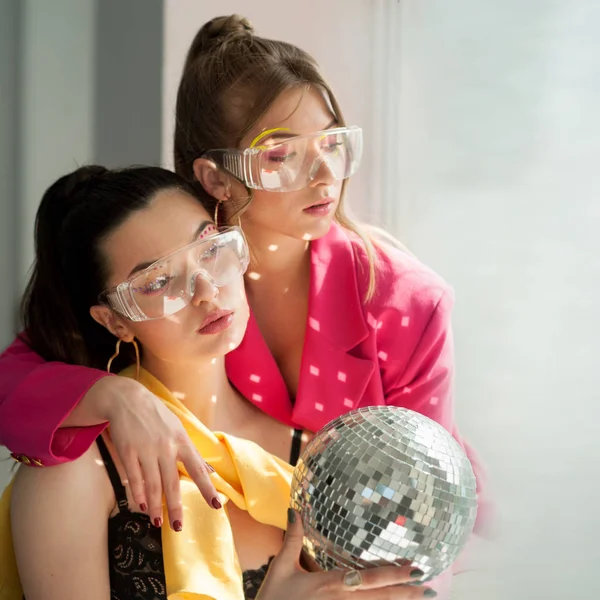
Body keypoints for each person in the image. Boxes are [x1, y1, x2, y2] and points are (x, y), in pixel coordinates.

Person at [0, 13, 491, 545]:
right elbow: (19, 378)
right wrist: (118, 397)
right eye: (280, 155)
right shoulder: (178, 274)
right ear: (214, 177)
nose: (324, 175)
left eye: (330, 143)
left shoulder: (407, 303)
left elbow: (431, 511)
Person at [0, 165, 436, 600]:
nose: (205, 290)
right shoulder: (76, 470)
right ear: (115, 322)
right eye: (158, 281)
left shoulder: (313, 455)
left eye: (210, 249)